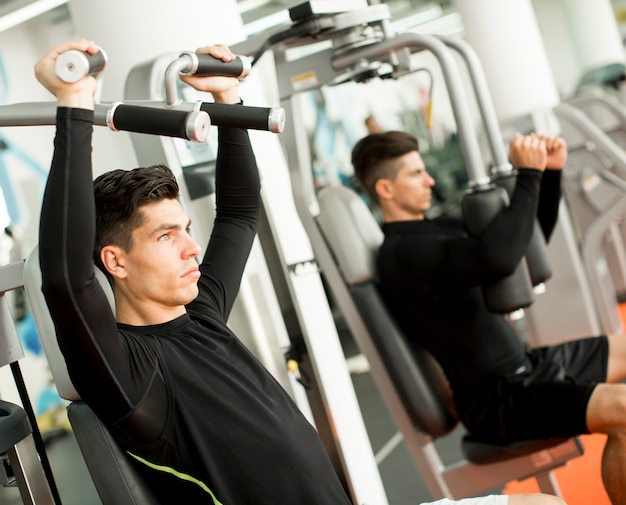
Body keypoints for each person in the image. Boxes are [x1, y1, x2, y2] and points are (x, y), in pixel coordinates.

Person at [33, 38, 565, 505]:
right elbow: (64, 279)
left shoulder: (203, 315)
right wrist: (74, 106)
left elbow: (240, 212)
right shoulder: (124, 372)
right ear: (115, 261)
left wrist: (229, 102)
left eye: (187, 229)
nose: (192, 248)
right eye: (166, 236)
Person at [351, 129, 626, 505]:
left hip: (528, 369)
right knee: (624, 412)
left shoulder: (433, 231)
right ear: (385, 188)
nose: (430, 179)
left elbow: (523, 245)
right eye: (416, 173)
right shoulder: (401, 254)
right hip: (500, 402)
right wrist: (527, 175)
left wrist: (550, 174)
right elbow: (496, 258)